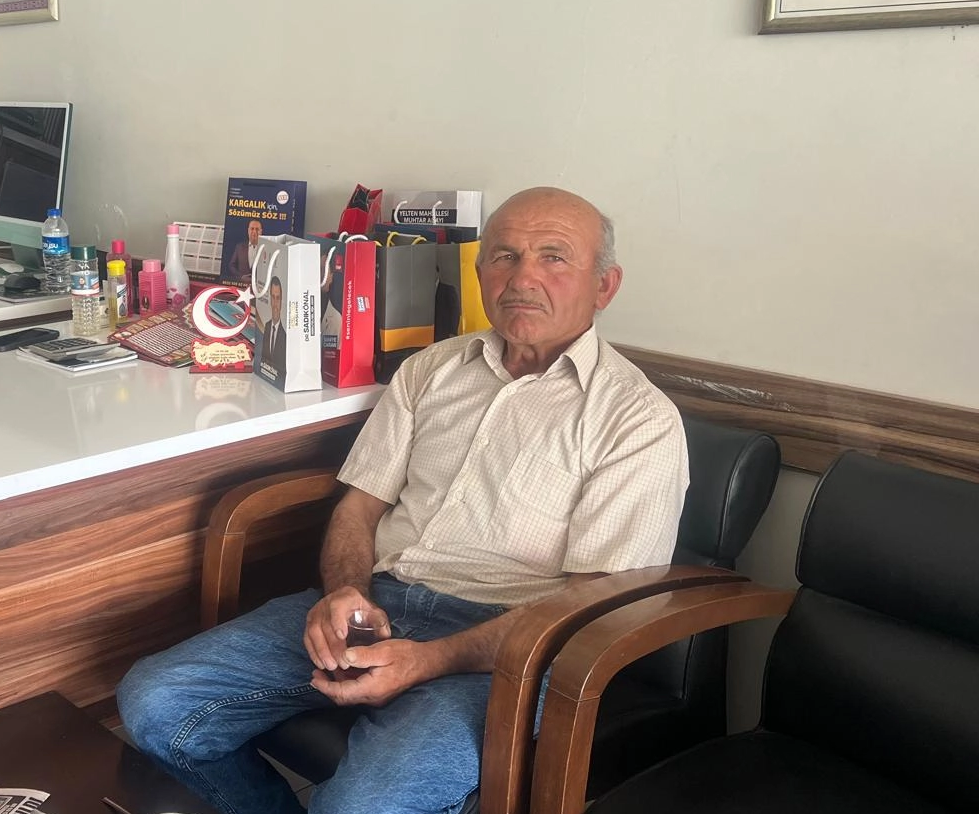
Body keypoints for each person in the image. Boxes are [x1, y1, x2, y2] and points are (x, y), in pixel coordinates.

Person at [117, 187, 689, 814]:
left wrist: (430, 660)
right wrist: (345, 591)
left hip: (509, 645)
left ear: (604, 286)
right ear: (480, 273)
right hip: (379, 601)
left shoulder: (636, 419)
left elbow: (589, 606)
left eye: (553, 257)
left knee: (360, 806)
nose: (523, 277)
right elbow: (359, 506)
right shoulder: (431, 370)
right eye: (504, 256)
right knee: (154, 703)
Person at [257, 275, 286, 378]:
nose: (275, 304)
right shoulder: (267, 327)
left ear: (282, 301)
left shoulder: (285, 336)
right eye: (273, 297)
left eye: (278, 298)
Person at [227, 218, 265, 283]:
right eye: (252, 229)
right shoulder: (239, 247)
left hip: (258, 286)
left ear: (261, 231)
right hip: (241, 285)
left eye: (257, 229)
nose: (254, 232)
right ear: (248, 230)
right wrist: (241, 277)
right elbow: (231, 265)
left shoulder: (265, 249)